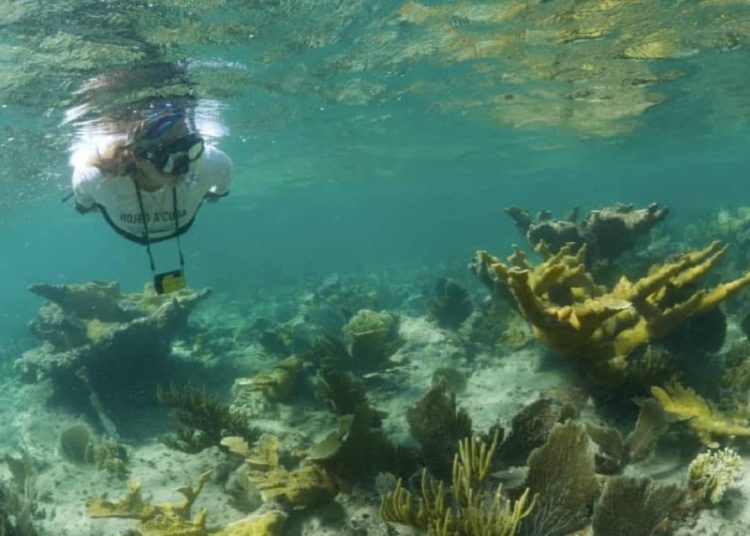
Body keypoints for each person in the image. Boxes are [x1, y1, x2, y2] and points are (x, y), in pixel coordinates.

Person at [70, 101, 232, 292]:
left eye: (189, 148)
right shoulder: (95, 177)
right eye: (166, 157)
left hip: (134, 228)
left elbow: (85, 205)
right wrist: (210, 194)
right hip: (150, 227)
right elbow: (84, 203)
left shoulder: (212, 163)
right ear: (135, 156)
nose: (183, 167)